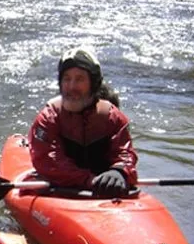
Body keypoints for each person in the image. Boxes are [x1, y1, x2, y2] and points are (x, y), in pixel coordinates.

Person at [28, 46, 139, 197]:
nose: (71, 86)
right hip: (62, 187)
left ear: (93, 84)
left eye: (79, 79)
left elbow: (124, 152)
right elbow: (47, 161)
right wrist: (90, 180)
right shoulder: (48, 117)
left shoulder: (113, 117)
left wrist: (119, 171)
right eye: (67, 79)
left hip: (102, 187)